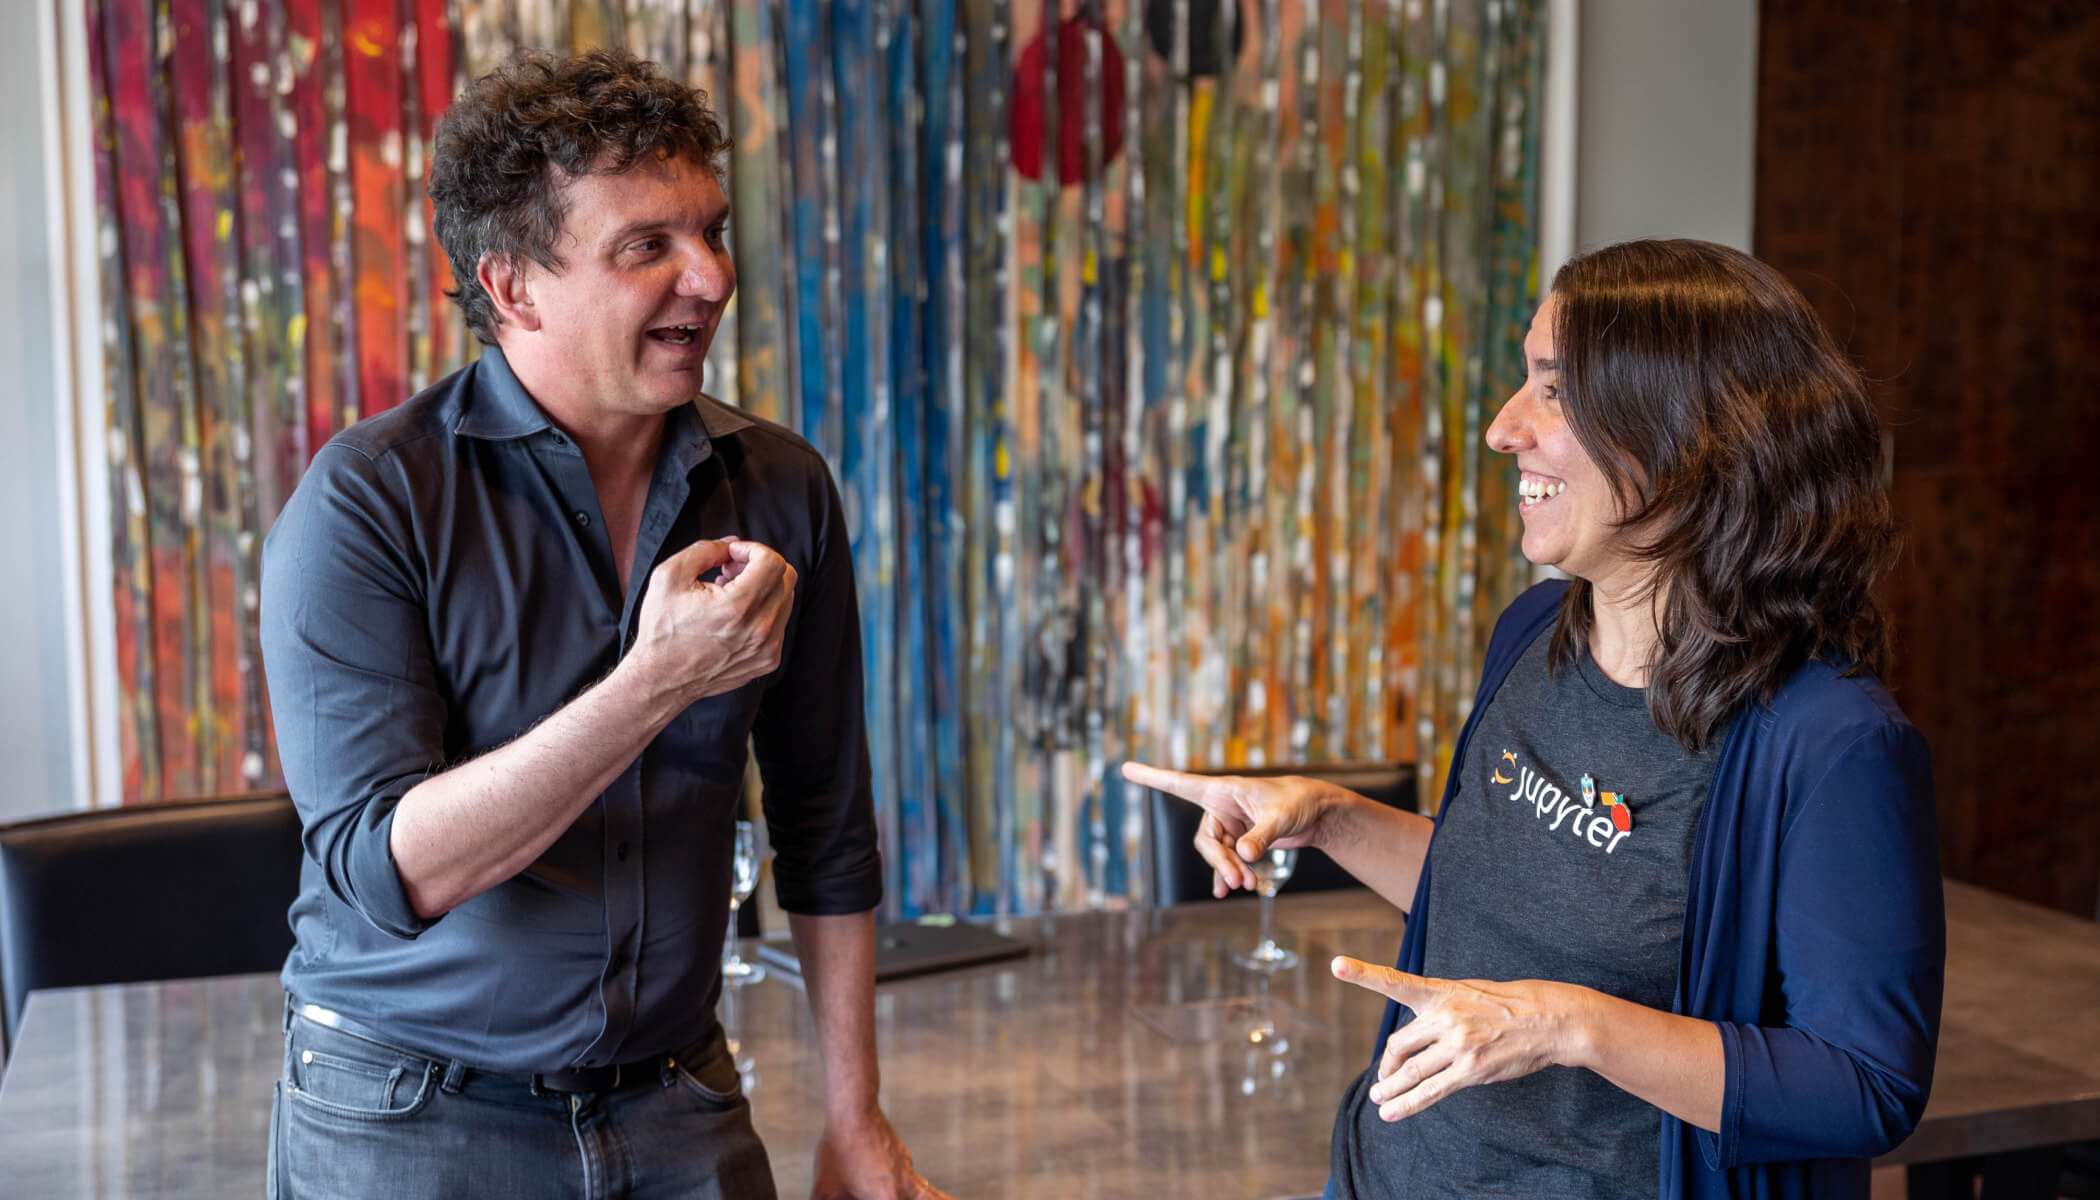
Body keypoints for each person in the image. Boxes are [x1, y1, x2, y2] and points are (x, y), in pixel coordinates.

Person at [259, 48, 948, 1200]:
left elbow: (827, 825)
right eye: (648, 248)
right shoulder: (369, 500)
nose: (712, 278)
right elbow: (389, 874)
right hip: (403, 1113)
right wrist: (655, 683)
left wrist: (855, 1116)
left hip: (680, 1095)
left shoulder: (782, 486)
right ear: (516, 285)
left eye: (712, 232)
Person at [1126, 239, 1943, 1199]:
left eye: (1554, 390)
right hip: (1386, 1175)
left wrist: (1571, 1026)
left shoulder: (1831, 744)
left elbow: (1864, 1087)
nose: (1504, 427)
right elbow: (1508, 897)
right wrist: (1329, 817)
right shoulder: (1534, 634)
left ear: (1693, 431)